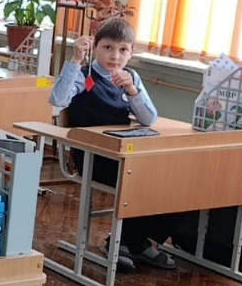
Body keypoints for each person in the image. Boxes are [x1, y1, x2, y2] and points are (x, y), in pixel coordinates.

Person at [49, 16, 173, 270]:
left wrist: (132, 91)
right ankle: (128, 243)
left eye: (123, 50)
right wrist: (75, 60)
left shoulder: (131, 77)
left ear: (131, 53)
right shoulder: (83, 74)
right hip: (93, 156)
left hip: (122, 154)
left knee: (170, 180)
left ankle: (132, 242)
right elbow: (58, 99)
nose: (115, 56)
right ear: (95, 47)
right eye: (108, 47)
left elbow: (149, 118)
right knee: (145, 180)